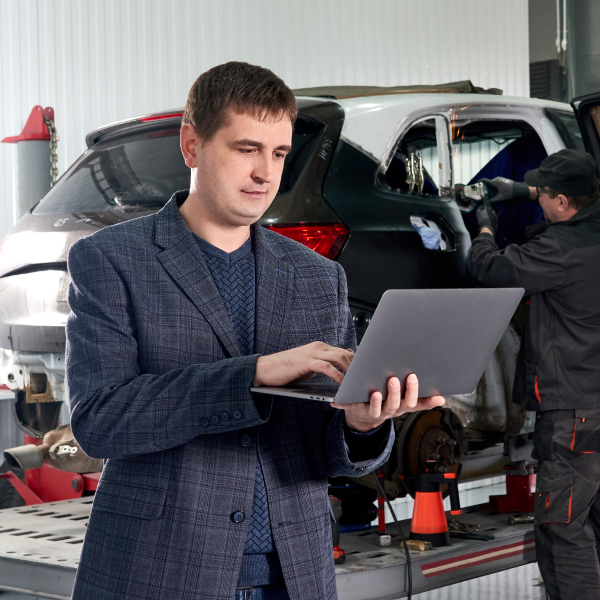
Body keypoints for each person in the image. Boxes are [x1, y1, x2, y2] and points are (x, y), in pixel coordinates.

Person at [65, 62, 444, 600]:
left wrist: (361, 424)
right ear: (192, 146)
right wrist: (254, 374)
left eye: (280, 153)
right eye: (247, 149)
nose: (266, 173)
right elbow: (101, 421)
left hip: (295, 576)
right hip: (161, 573)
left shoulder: (318, 276)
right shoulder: (112, 260)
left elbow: (331, 453)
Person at [467, 150, 600, 600]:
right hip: (596, 405)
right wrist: (521, 193)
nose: (537, 201)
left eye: (542, 195)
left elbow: (490, 268)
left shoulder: (559, 251)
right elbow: (558, 208)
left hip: (572, 412)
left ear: (563, 202)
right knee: (592, 518)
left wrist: (484, 225)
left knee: (563, 526)